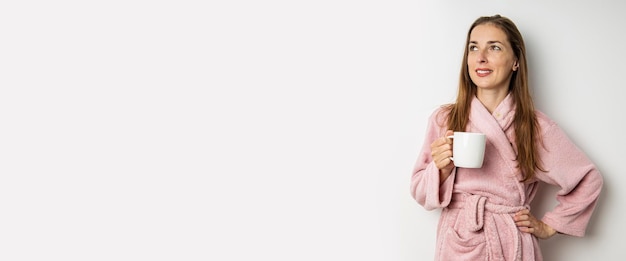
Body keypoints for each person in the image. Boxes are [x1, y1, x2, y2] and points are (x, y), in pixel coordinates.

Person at [410, 15, 603, 261]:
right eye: (473, 47)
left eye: (494, 47)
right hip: (459, 240)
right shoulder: (445, 119)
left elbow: (588, 178)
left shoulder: (535, 127)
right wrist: (441, 170)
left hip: (510, 240)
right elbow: (419, 192)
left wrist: (550, 225)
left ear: (515, 61)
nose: (480, 57)